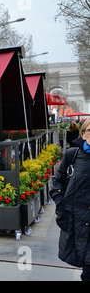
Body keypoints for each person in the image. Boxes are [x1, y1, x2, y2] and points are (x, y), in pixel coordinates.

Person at [50, 118, 90, 281]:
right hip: (78, 220)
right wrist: (61, 207)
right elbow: (57, 181)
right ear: (83, 134)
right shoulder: (72, 155)